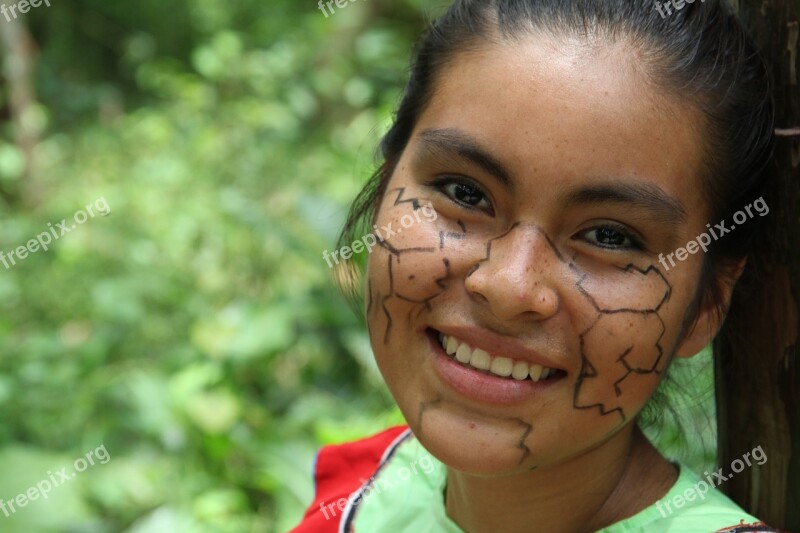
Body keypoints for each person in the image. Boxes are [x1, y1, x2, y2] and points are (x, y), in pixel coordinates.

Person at [292, 0, 780, 530]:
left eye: (609, 237)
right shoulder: (360, 493)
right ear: (387, 184)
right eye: (465, 192)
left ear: (708, 303)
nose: (508, 286)